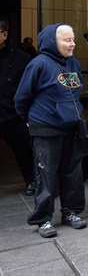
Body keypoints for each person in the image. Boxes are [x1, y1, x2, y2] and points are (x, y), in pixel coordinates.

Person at [15, 24, 87, 238]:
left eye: (73, 39)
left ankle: (70, 212)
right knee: (45, 175)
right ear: (51, 42)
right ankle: (44, 219)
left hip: (71, 128)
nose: (72, 43)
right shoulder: (38, 64)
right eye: (67, 40)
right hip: (46, 129)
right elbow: (21, 98)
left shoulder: (72, 62)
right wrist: (28, 120)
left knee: (73, 173)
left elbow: (77, 88)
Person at [0, 20, 35, 196]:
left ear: (4, 35)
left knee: (23, 148)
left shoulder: (21, 58)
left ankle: (31, 180)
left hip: (12, 113)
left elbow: (29, 88)